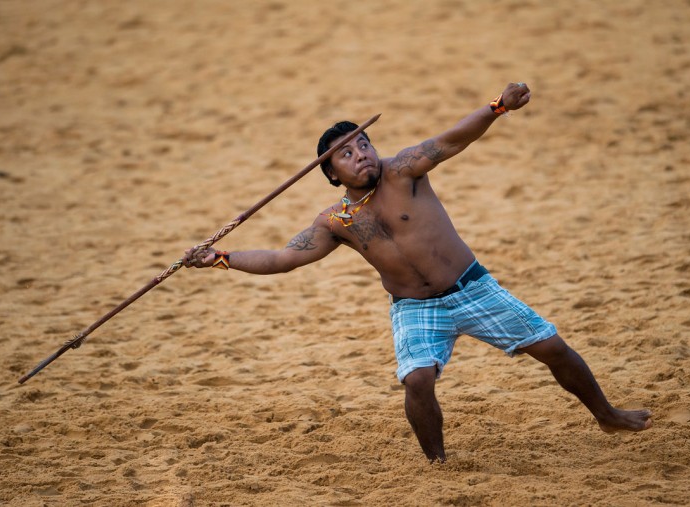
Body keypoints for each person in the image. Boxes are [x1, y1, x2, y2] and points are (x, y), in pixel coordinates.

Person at [183, 82, 652, 462]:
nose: (361, 154)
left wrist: (497, 107)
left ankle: (607, 415)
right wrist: (220, 258)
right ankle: (438, 463)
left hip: (471, 286)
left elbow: (452, 139)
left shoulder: (403, 170)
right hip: (414, 307)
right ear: (332, 175)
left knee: (551, 347)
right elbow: (284, 258)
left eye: (363, 144)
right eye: (346, 154)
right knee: (418, 380)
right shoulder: (336, 221)